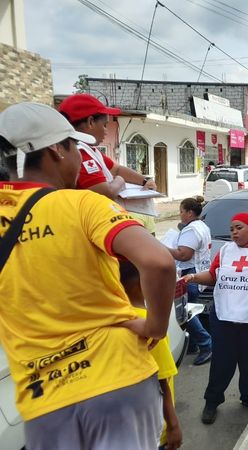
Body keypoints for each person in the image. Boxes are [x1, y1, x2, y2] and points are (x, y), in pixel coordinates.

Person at [0, 103, 175, 449]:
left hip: (42, 396)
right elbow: (159, 262)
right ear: (56, 149)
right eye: (75, 148)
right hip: (117, 378)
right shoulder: (81, 204)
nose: (81, 159)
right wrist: (155, 327)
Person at [183, 213, 248, 424]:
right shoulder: (225, 251)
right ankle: (212, 401)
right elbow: (213, 276)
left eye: (239, 228)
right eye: (231, 229)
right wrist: (194, 277)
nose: (234, 232)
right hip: (224, 317)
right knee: (221, 363)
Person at [119, 261, 182, 450]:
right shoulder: (150, 326)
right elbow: (162, 381)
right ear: (143, 284)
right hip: (156, 426)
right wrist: (173, 425)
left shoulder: (115, 319)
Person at [58, 93, 158, 199]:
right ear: (90, 122)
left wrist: (145, 180)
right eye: (104, 125)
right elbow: (106, 193)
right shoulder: (80, 153)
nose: (106, 131)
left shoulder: (89, 150)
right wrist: (120, 180)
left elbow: (116, 169)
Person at [166, 197, 213, 366]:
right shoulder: (202, 226)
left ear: (190, 213)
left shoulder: (192, 230)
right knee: (189, 309)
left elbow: (184, 255)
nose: (180, 214)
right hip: (198, 272)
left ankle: (206, 345)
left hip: (190, 274)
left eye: (181, 211)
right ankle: (192, 344)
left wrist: (162, 248)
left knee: (184, 312)